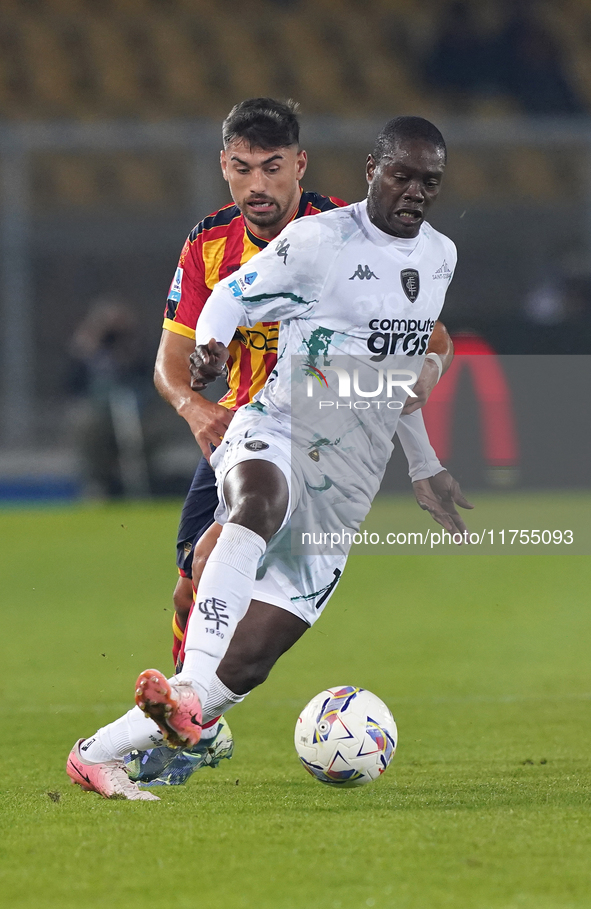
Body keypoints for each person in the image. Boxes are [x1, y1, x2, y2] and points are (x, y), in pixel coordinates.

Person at [66, 115, 473, 801]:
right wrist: (214, 350)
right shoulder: (319, 239)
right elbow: (228, 295)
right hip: (276, 425)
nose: (412, 191)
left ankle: (96, 753)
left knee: (250, 663)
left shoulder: (439, 256)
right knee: (257, 500)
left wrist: (424, 465)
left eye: (427, 181)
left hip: (345, 482)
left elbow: (396, 378)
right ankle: (190, 680)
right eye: (400, 174)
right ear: (372, 168)